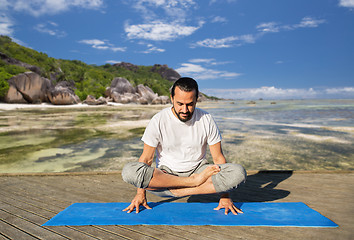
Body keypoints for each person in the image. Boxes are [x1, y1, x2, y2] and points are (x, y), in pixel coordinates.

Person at [122, 77, 246, 215]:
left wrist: (225, 197)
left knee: (238, 173)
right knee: (130, 172)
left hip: (198, 172)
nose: (185, 109)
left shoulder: (206, 119)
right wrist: (140, 194)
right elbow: (146, 159)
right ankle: (191, 183)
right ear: (172, 98)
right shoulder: (158, 120)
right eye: (180, 103)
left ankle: (182, 188)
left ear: (196, 100)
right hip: (167, 175)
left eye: (190, 104)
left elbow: (218, 158)